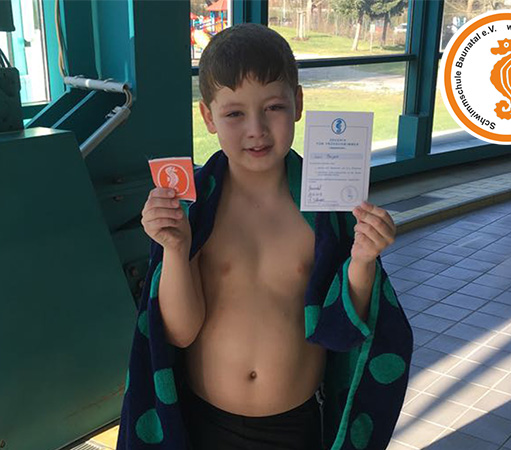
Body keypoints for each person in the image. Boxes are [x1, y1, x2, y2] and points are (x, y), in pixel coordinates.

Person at [117, 23, 413, 450]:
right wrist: (175, 248)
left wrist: (364, 260)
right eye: (234, 114)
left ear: (298, 104)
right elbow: (179, 334)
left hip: (294, 426)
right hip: (205, 425)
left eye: (273, 107)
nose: (255, 129)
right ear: (208, 117)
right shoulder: (194, 207)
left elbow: (343, 331)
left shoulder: (327, 211)